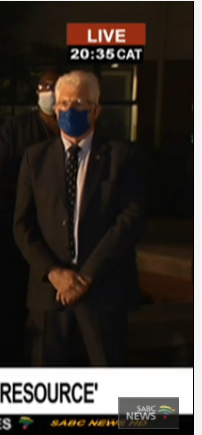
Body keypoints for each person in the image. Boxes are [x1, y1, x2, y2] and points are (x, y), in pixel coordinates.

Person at [13, 70, 145, 366]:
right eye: (63, 103)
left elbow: (130, 220)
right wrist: (54, 272)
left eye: (79, 104)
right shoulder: (35, 158)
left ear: (96, 110)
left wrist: (86, 277)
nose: (69, 110)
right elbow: (22, 225)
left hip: (104, 290)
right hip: (50, 294)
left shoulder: (122, 156)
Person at [0, 70, 61, 365]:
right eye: (43, 86)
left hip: (55, 240)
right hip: (13, 235)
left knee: (51, 319)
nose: (47, 92)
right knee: (6, 315)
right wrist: (31, 192)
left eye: (53, 86)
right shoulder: (15, 129)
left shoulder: (73, 130)